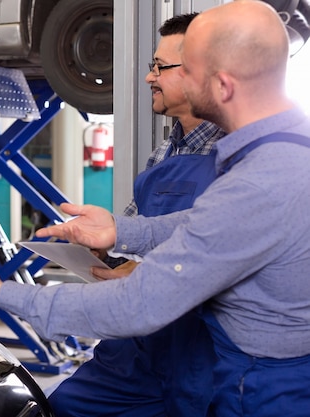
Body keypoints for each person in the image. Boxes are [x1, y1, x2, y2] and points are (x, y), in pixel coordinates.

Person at [0, 1, 310, 415]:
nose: (151, 78)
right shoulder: (288, 149)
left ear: (224, 85)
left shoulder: (258, 183)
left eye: (188, 71)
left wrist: (2, 292)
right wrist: (123, 231)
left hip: (264, 388)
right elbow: (205, 223)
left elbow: (139, 304)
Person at [46, 12, 225, 417]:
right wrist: (97, 248)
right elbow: (132, 229)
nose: (150, 77)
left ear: (201, 71)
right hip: (138, 349)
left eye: (160, 67)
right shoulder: (164, 151)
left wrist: (147, 270)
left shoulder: (238, 154)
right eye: (151, 66)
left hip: (200, 351)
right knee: (61, 407)